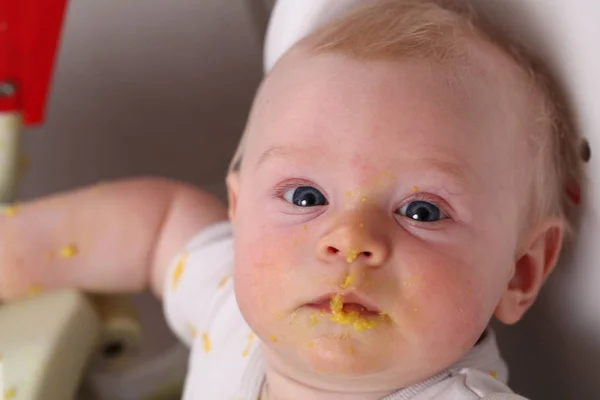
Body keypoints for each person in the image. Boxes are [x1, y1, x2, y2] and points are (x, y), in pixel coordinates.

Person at [0, 0, 585, 398]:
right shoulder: (236, 317)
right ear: (239, 211)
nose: (350, 239)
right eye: (306, 196)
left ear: (520, 271)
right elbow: (158, 228)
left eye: (422, 211)